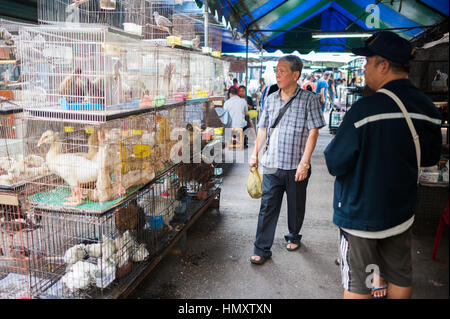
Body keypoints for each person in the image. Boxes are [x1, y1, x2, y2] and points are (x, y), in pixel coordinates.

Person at [324, 31, 442, 299]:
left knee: (359, 283)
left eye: (367, 61)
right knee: (400, 275)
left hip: (361, 215)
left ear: (384, 65)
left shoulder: (364, 109)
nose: (364, 68)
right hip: (401, 213)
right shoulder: (428, 109)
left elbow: (335, 162)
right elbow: (431, 157)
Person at [249, 55, 326, 265]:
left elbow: (313, 133)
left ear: (295, 75)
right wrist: (255, 153)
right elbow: (263, 129)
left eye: (282, 71)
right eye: (276, 70)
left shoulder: (309, 100)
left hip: (296, 165)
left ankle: (293, 236)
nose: (277, 74)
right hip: (272, 164)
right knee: (267, 207)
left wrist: (305, 162)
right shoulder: (271, 99)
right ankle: (261, 248)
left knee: (296, 205)